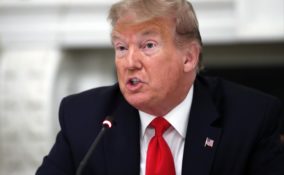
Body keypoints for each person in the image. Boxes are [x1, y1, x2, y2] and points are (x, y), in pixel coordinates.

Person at [36, 0, 284, 174]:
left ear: (189, 57)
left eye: (148, 45)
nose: (130, 63)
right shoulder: (84, 117)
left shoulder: (251, 119)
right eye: (122, 48)